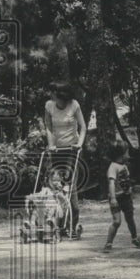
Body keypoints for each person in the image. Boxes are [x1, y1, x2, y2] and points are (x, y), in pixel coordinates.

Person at [44, 82, 86, 238]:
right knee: (55, 185)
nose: (60, 103)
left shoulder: (74, 105)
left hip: (72, 150)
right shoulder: (49, 105)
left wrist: (79, 144)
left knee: (70, 186)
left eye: (63, 100)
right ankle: (56, 223)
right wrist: (50, 145)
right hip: (56, 150)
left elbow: (83, 126)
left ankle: (72, 224)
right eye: (58, 99)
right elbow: (48, 126)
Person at [102, 144, 140, 251]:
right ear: (121, 155)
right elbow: (111, 183)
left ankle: (134, 238)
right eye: (127, 153)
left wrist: (131, 190)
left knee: (130, 218)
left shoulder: (124, 166)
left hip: (126, 197)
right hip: (116, 198)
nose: (129, 155)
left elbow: (126, 181)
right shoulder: (113, 167)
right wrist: (113, 198)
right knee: (117, 221)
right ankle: (108, 243)